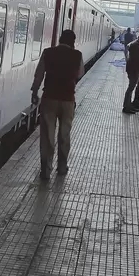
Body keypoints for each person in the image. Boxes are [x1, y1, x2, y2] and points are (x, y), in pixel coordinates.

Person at [32, 28, 84, 180]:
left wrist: (35, 92)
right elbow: (80, 74)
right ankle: (62, 167)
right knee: (64, 134)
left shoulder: (48, 53)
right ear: (73, 42)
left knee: (47, 136)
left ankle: (46, 170)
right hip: (68, 100)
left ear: (60, 39)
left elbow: (39, 74)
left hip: (49, 98)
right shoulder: (77, 55)